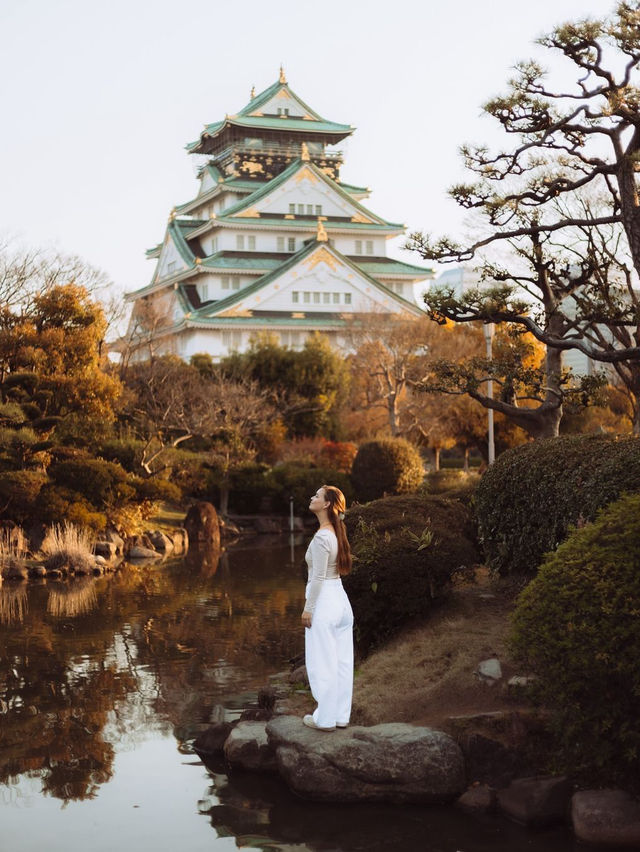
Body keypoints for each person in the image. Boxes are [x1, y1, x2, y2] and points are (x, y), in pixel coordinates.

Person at [301, 484, 354, 732]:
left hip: (325, 603)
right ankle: (341, 717)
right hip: (341, 602)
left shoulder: (323, 537)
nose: (312, 497)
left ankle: (325, 720)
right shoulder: (336, 532)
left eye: (317, 495)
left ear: (326, 505)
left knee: (323, 663)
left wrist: (308, 609)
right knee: (342, 662)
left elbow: (319, 577)